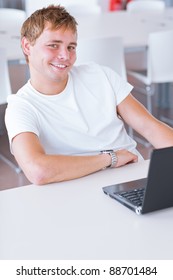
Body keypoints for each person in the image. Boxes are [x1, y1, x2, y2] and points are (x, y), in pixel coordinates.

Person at [5, 5, 173, 185]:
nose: (65, 55)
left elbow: (151, 128)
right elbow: (38, 171)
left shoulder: (99, 75)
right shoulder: (20, 107)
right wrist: (110, 158)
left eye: (71, 47)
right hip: (77, 189)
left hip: (132, 180)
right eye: (53, 45)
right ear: (27, 46)